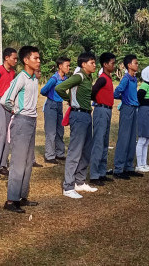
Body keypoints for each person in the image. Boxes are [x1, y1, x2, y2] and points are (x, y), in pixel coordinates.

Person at [2, 46, 42, 213]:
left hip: (32, 121)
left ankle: (22, 196)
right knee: (18, 161)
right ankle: (11, 200)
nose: (38, 61)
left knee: (27, 161)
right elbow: (5, 99)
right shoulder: (21, 78)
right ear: (26, 60)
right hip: (21, 121)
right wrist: (16, 111)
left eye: (39, 58)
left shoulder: (34, 79)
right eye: (35, 58)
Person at [55, 52, 97, 199]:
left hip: (86, 115)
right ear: (83, 64)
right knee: (75, 151)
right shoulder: (78, 76)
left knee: (86, 150)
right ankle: (68, 186)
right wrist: (70, 100)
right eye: (92, 62)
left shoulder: (88, 77)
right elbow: (59, 88)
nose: (94, 65)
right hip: (78, 115)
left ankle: (79, 181)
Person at [0, 47, 18, 178]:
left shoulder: (12, 72)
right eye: (14, 58)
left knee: (7, 135)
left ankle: (2, 164)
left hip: (7, 103)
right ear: (6, 58)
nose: (16, 61)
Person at [89, 52, 117, 185]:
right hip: (101, 110)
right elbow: (93, 91)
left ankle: (101, 172)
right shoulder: (103, 78)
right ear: (105, 64)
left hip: (107, 110)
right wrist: (98, 100)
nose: (114, 65)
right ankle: (94, 175)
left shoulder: (109, 78)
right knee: (99, 142)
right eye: (112, 63)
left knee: (105, 142)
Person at [112, 54, 140, 179]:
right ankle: (118, 168)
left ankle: (129, 166)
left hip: (134, 109)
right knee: (124, 138)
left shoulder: (134, 79)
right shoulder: (126, 78)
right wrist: (124, 98)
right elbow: (117, 92)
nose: (137, 65)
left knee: (132, 138)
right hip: (127, 109)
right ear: (129, 65)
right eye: (135, 63)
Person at [40, 56, 70, 164]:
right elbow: (43, 91)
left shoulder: (65, 79)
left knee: (60, 131)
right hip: (51, 105)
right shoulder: (54, 79)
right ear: (60, 66)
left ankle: (60, 153)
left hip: (59, 105)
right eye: (67, 65)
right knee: (51, 132)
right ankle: (49, 156)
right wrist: (51, 96)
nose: (68, 68)